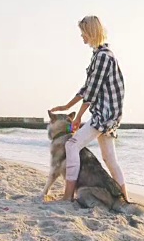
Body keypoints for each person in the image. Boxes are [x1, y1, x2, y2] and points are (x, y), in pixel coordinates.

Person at [50, 15, 128, 202]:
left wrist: (77, 118)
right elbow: (87, 87)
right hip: (107, 113)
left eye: (83, 32)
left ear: (91, 31)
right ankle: (125, 200)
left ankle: (68, 196)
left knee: (72, 145)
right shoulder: (99, 54)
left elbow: (91, 93)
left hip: (105, 114)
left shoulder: (103, 57)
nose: (81, 36)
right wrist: (68, 106)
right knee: (110, 159)